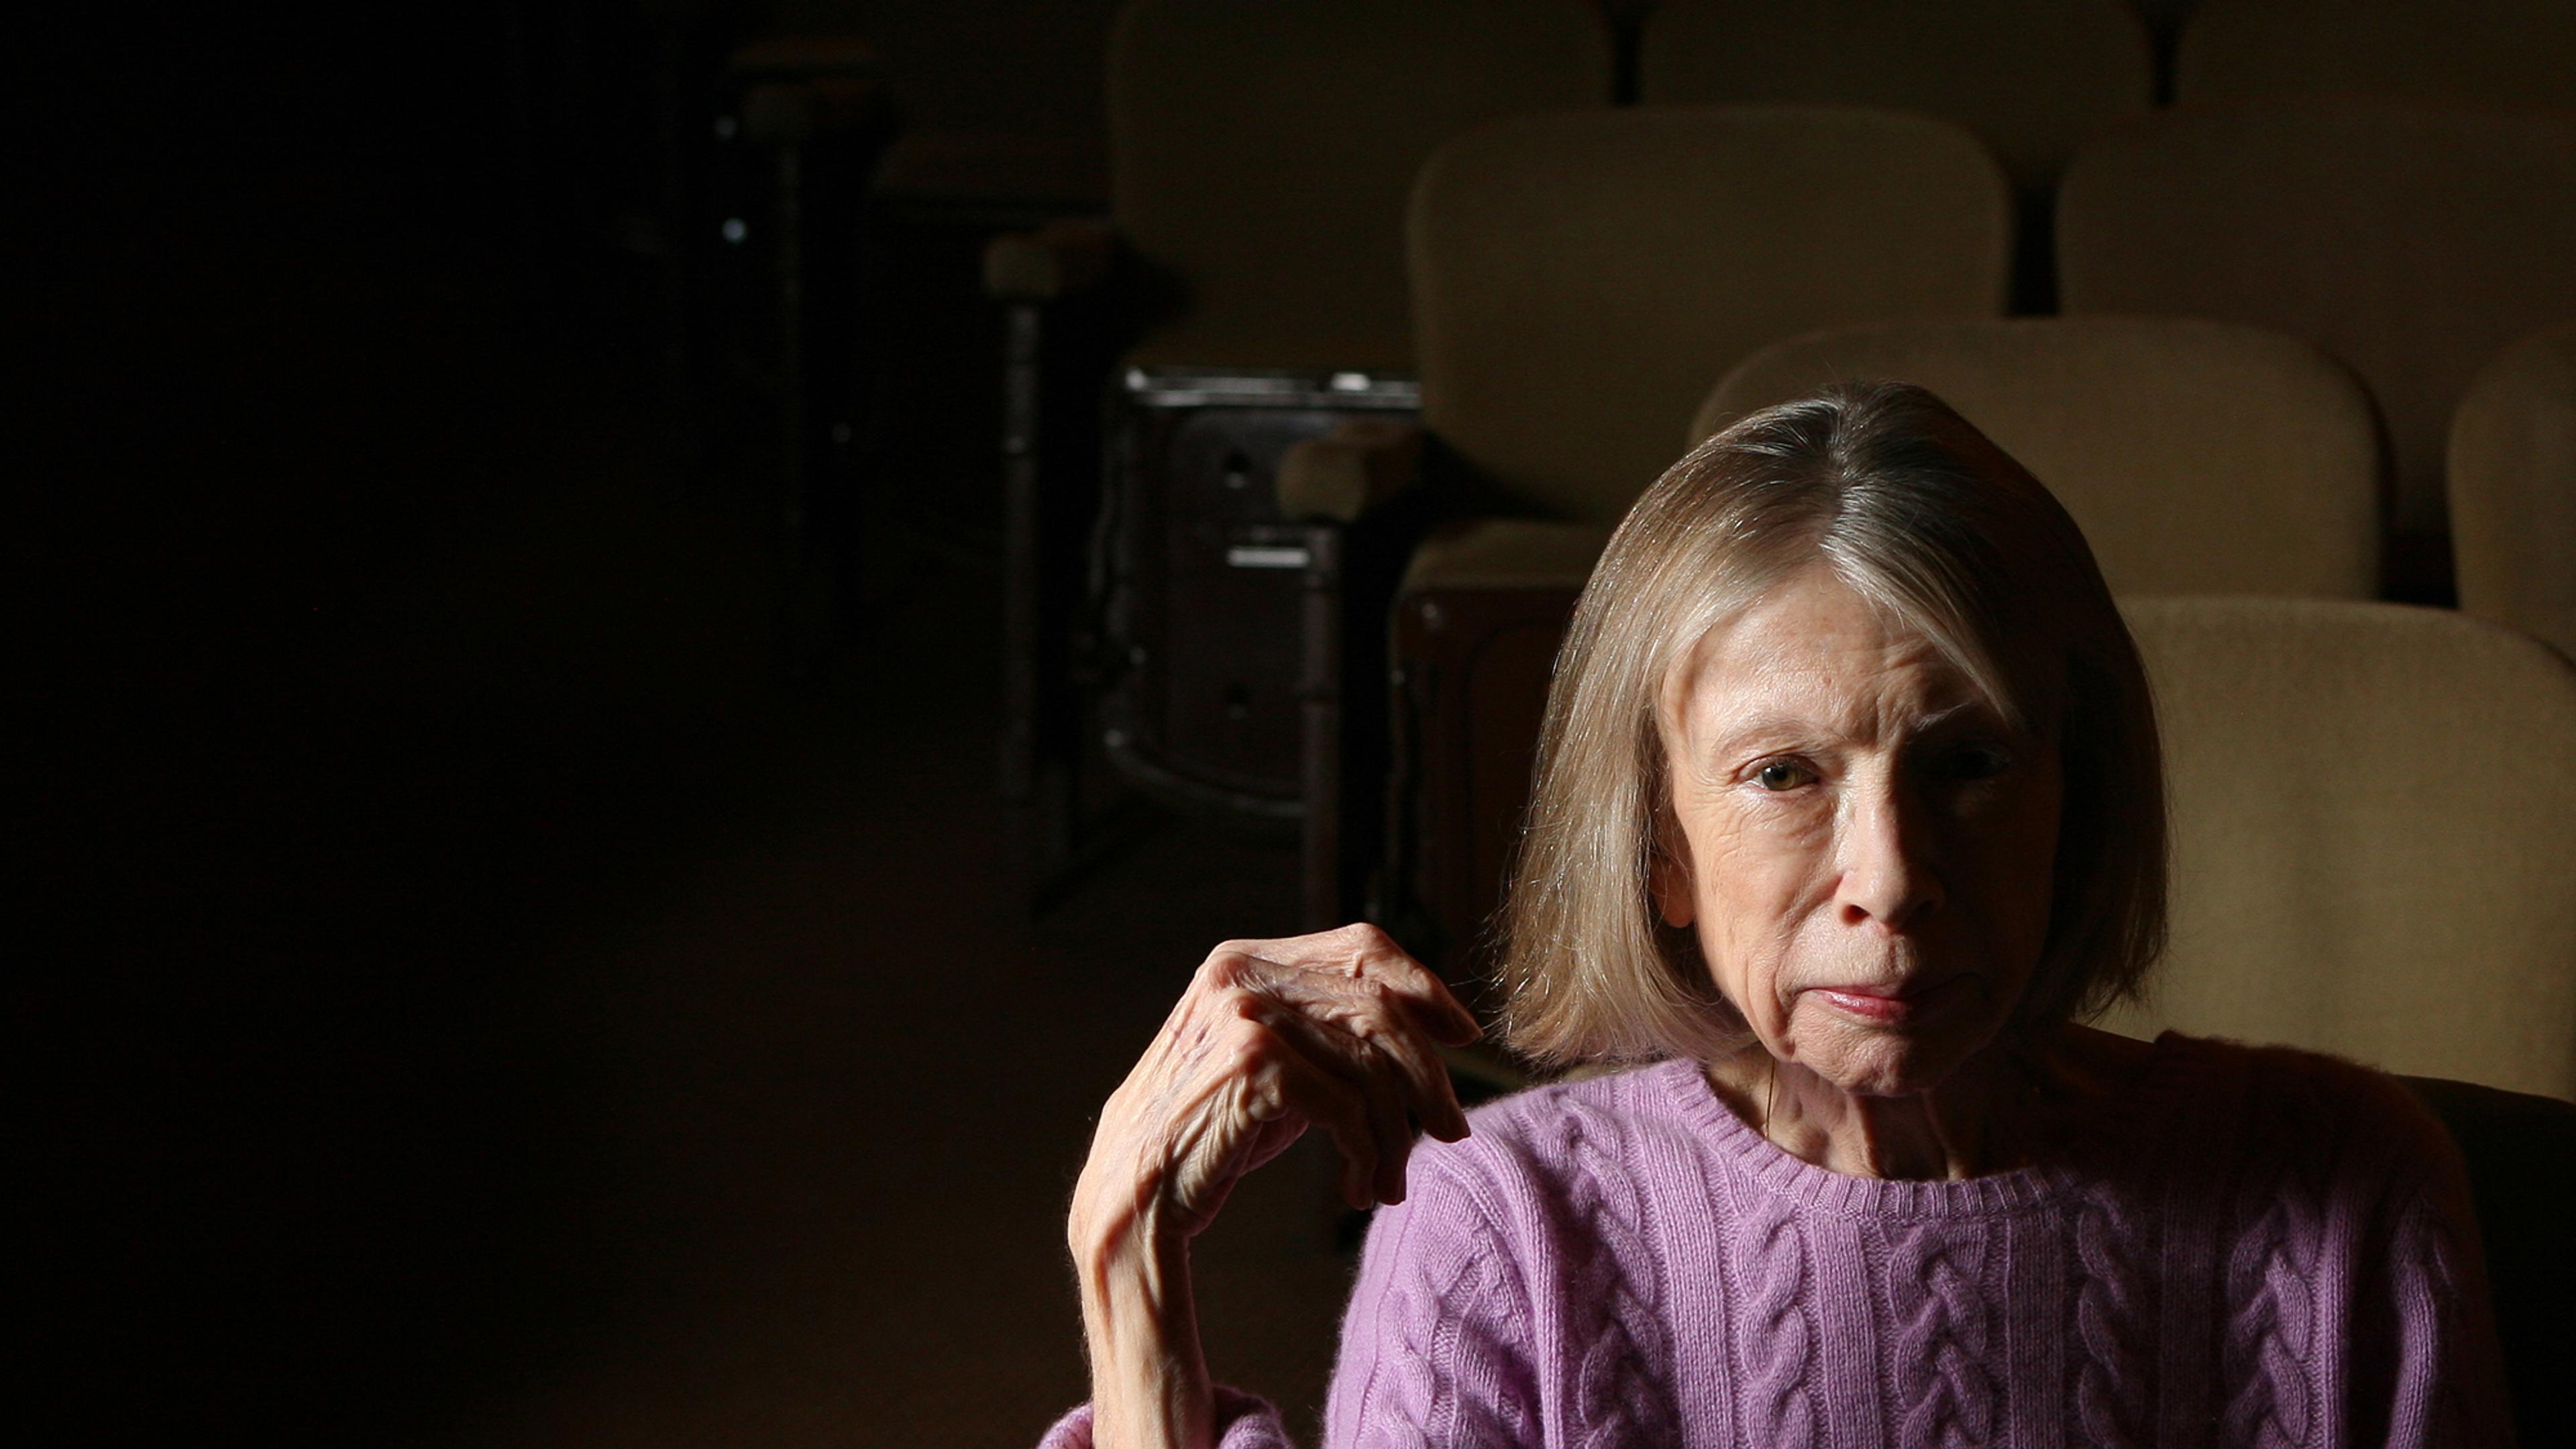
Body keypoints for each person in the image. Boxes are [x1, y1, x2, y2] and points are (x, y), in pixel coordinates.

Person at [1044, 383, 2511, 1448]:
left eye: (1972, 763)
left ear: (2080, 797)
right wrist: (1131, 1273)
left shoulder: (2346, 1191)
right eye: (1784, 774)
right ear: (1660, 848)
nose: (1890, 875)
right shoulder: (1509, 1229)